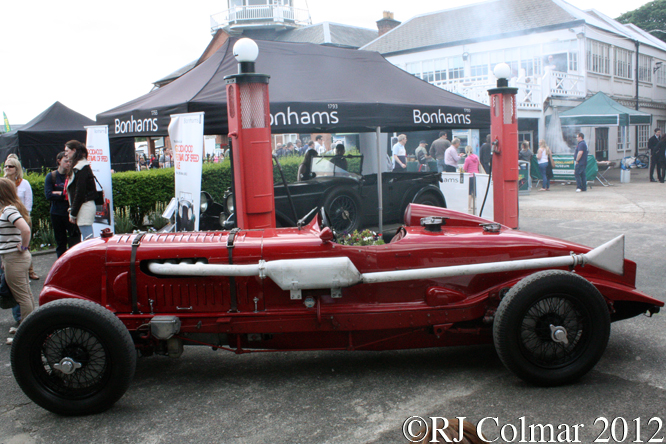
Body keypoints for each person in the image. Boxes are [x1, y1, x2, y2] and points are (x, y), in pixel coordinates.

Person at [0, 178, 34, 345]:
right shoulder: (9, 209)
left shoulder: (8, 210)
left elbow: (25, 229)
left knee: (22, 297)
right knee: (25, 294)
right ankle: (27, 327)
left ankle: (26, 334)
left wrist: (23, 247)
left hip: (15, 258)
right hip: (13, 258)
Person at [3, 156, 38, 281]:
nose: (7, 168)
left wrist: (24, 218)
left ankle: (30, 270)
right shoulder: (3, 182)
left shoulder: (24, 183)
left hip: (22, 218)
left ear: (17, 168)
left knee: (24, 245)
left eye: (10, 166)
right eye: (6, 166)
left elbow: (28, 203)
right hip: (5, 219)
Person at [45, 152, 80, 258]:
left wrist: (59, 193)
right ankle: (61, 263)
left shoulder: (72, 176)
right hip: (56, 213)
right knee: (60, 241)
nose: (68, 164)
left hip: (70, 213)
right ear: (59, 161)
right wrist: (64, 194)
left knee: (74, 240)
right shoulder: (51, 176)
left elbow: (74, 194)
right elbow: (48, 195)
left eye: (70, 161)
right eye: (66, 161)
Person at [64, 140, 98, 241]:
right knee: (87, 239)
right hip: (83, 206)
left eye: (67, 151)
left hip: (84, 206)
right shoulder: (80, 167)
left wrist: (73, 213)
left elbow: (79, 193)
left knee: (88, 240)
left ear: (74, 150)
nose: (65, 154)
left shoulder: (81, 167)